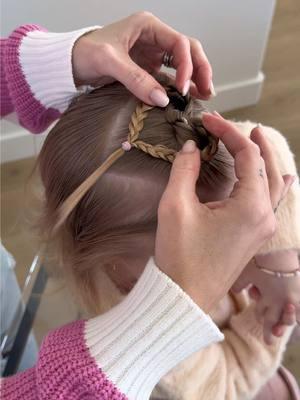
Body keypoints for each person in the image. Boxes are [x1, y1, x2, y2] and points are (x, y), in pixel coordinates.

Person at [1, 14, 298, 400]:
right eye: (209, 251)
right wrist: (262, 328)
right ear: (112, 263)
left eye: (246, 226)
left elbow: (268, 149)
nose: (238, 264)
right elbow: (226, 386)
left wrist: (280, 257)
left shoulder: (228, 166)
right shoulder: (130, 318)